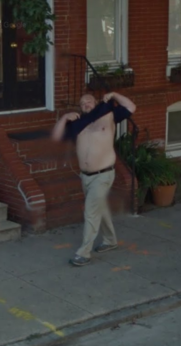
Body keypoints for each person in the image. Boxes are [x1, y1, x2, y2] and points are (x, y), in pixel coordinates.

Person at [51, 91, 137, 266]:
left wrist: (114, 95)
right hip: (86, 177)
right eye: (82, 103)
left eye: (88, 101)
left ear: (96, 102)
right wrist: (64, 118)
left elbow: (131, 106)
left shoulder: (108, 114)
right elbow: (56, 137)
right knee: (100, 208)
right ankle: (110, 240)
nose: (85, 105)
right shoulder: (78, 123)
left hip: (103, 174)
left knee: (90, 211)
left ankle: (84, 253)